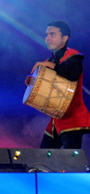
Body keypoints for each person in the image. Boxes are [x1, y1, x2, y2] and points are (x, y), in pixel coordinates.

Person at [27, 20, 90, 149]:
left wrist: (49, 65)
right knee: (43, 160)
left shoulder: (73, 56)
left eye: (52, 34)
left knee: (71, 163)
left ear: (65, 38)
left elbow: (72, 73)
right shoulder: (50, 60)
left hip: (73, 118)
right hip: (56, 120)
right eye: (47, 35)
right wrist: (32, 83)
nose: (48, 38)